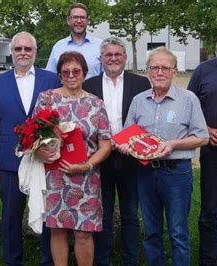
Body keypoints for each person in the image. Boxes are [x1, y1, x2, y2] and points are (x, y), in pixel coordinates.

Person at [117, 47, 209, 265]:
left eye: (165, 68)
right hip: (146, 173)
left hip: (176, 173)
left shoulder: (188, 99)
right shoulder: (139, 100)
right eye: (154, 68)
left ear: (174, 71)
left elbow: (202, 137)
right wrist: (126, 146)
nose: (159, 72)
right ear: (148, 71)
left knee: (177, 232)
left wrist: (174, 144)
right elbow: (128, 135)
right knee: (151, 231)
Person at [0, 31, 61, 266]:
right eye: (18, 49)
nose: (23, 53)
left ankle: (48, 260)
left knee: (48, 213)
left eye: (28, 49)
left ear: (35, 52)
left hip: (45, 158)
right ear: (12, 52)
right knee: (10, 216)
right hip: (9, 159)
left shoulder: (51, 79)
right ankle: (13, 260)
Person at [34, 51, 111, 266]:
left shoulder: (96, 104)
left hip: (86, 177)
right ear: (59, 74)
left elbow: (105, 144)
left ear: (84, 73)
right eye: (65, 71)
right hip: (55, 176)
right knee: (57, 230)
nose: (70, 75)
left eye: (76, 71)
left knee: (83, 234)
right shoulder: (47, 99)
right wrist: (41, 150)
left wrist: (86, 165)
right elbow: (32, 136)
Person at [83, 37, 150, 265]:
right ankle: (103, 260)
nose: (113, 58)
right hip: (100, 159)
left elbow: (146, 119)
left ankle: (129, 260)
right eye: (108, 55)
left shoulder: (140, 84)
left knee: (131, 214)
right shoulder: (89, 85)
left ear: (125, 57)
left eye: (117, 54)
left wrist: (130, 143)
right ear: (101, 59)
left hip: (131, 157)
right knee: (103, 213)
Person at [187, 20, 217, 265]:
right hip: (214, 152)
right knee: (209, 212)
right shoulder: (204, 70)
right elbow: (190, 107)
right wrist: (206, 129)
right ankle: (208, 260)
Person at [46, 3, 102, 79]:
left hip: (93, 91)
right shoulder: (58, 47)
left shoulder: (100, 46)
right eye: (75, 17)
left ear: (88, 21)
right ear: (68, 20)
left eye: (82, 17)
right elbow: (50, 77)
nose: (79, 21)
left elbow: (106, 77)